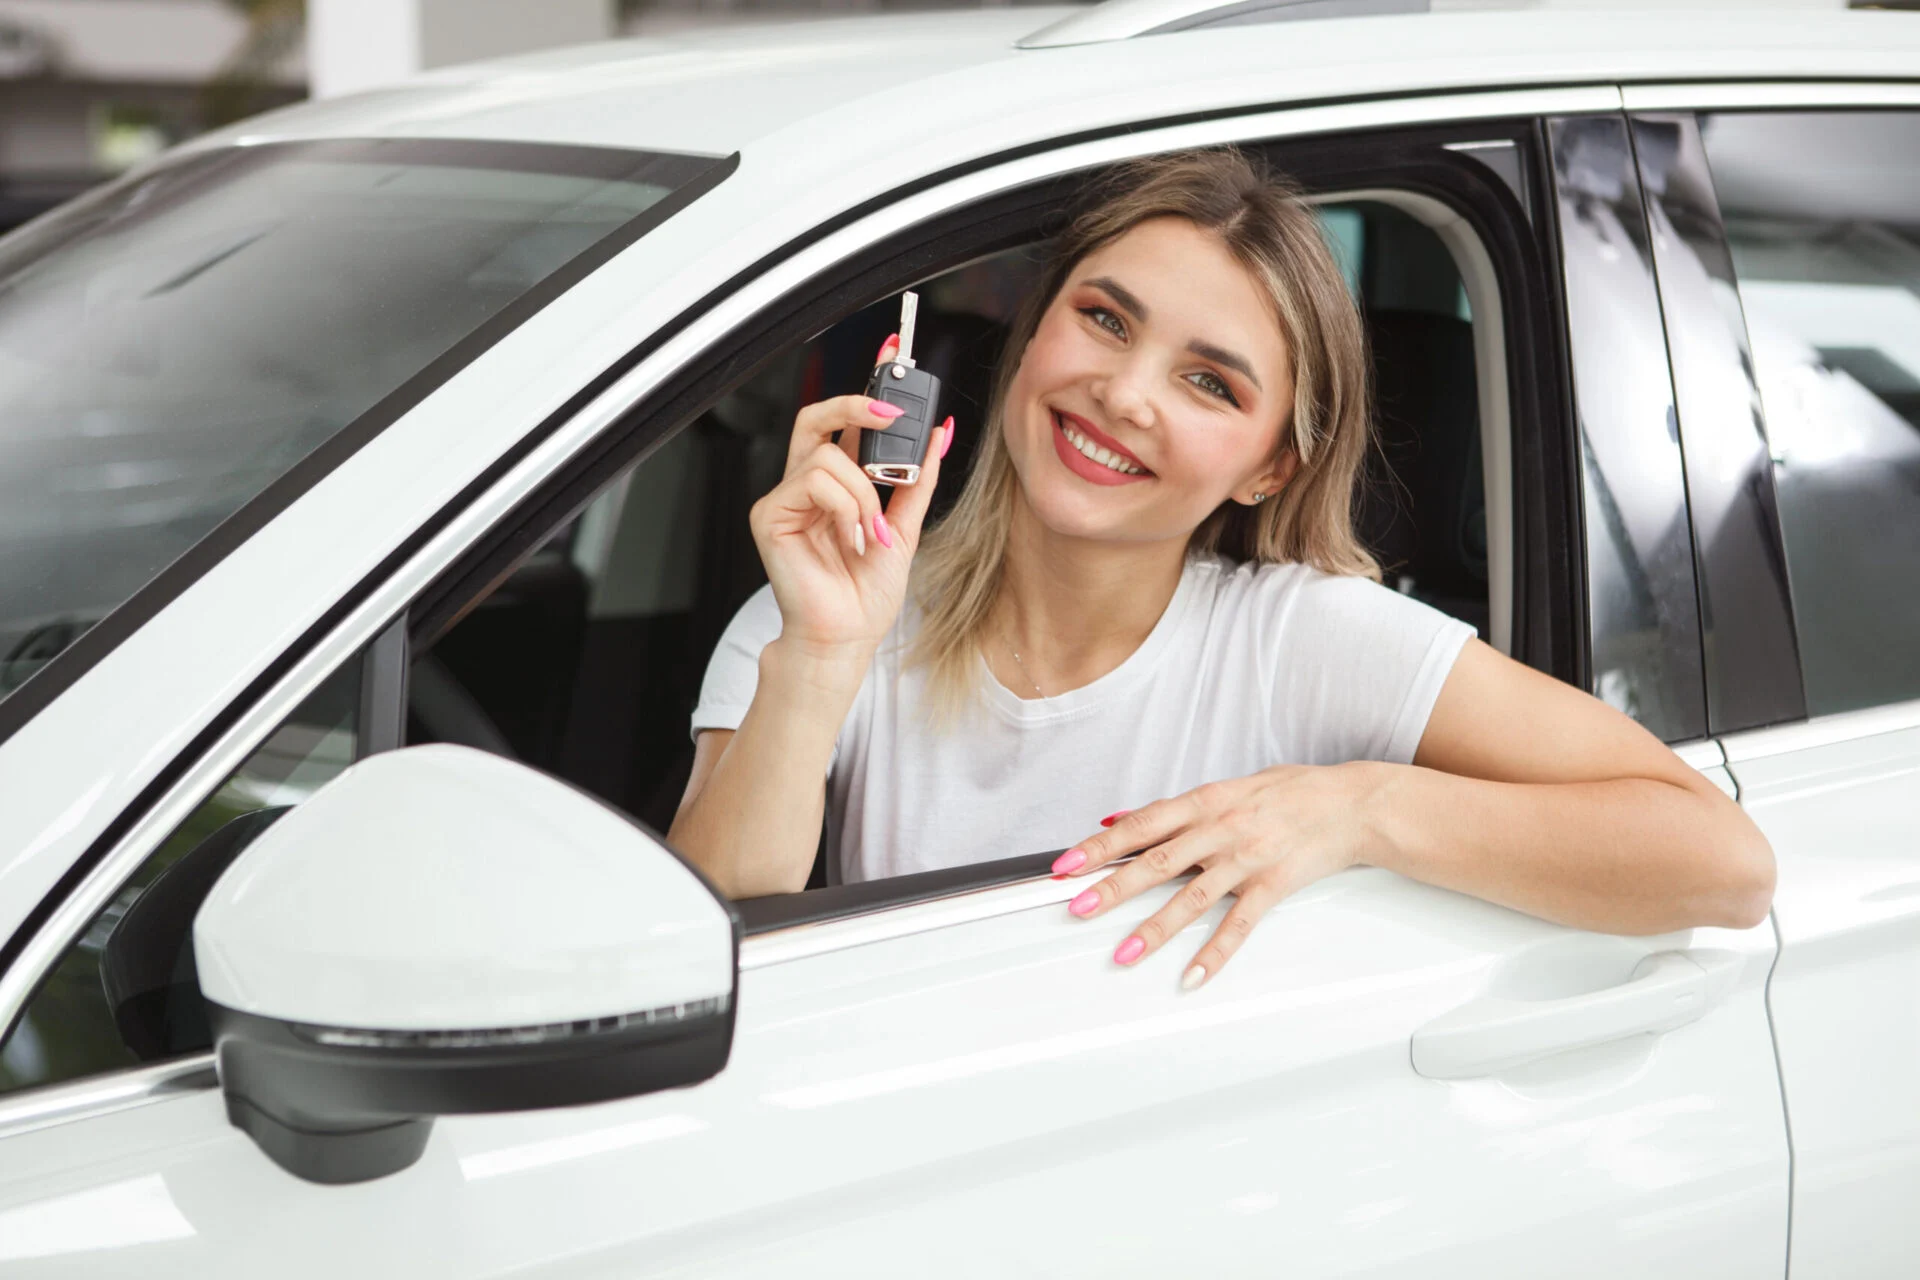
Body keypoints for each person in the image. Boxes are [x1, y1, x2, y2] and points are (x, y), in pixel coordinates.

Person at [669, 146, 1774, 991]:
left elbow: (1722, 860)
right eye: (1103, 319)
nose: (1125, 393)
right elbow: (709, 923)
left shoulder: (1303, 640)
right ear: (1031, 333)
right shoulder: (821, 613)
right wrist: (819, 655)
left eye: (1212, 384)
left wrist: (1362, 808)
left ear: (1270, 465)